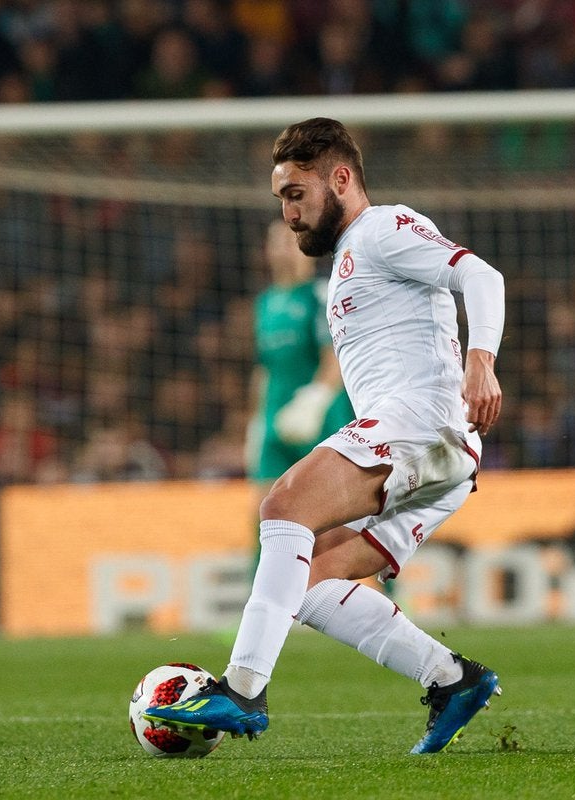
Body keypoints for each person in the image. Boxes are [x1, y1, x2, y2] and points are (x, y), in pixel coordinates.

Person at [145, 117, 506, 754]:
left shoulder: (382, 229)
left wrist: (482, 360)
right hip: (437, 453)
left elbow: (481, 277)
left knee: (284, 508)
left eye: (296, 194)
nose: (288, 213)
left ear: (341, 179)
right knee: (308, 582)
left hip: (421, 425)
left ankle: (244, 689)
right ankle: (450, 679)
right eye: (281, 198)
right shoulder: (347, 262)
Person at [246, 218, 355, 532]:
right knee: (264, 511)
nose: (285, 250)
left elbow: (334, 359)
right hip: (274, 423)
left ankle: (376, 580)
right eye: (277, 242)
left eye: (292, 242)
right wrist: (255, 425)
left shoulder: (321, 295)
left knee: (333, 519)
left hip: (319, 422)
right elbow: (264, 368)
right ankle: (263, 583)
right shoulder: (265, 303)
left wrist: (312, 403)